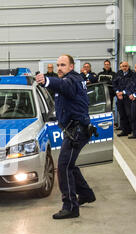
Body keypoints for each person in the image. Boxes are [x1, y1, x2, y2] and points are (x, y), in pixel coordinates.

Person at [35, 54, 96, 220]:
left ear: (71, 66)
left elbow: (63, 86)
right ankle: (86, 194)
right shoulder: (69, 80)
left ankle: (70, 206)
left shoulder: (72, 80)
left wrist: (47, 81)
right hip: (74, 130)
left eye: (63, 65)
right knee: (70, 164)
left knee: (63, 167)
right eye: (57, 65)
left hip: (76, 131)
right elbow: (64, 100)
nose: (59, 68)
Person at [113, 61, 134, 137]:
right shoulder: (118, 74)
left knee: (129, 114)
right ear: (120, 67)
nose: (124, 67)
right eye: (123, 66)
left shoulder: (132, 74)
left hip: (128, 97)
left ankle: (132, 130)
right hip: (120, 97)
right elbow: (114, 84)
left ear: (128, 67)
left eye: (126, 66)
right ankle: (124, 130)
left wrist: (123, 92)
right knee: (122, 114)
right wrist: (118, 92)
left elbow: (131, 85)